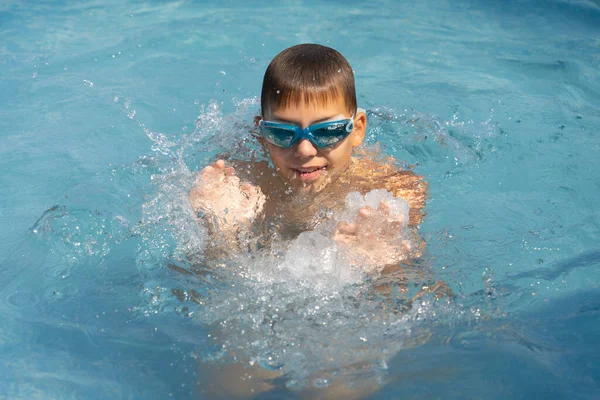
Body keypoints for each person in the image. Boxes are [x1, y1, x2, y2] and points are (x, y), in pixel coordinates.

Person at [188, 43, 428, 269]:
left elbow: (417, 286)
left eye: (326, 131)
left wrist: (377, 267)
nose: (304, 150)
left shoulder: (394, 191)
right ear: (262, 136)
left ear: (357, 130)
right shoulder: (240, 185)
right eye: (282, 133)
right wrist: (220, 238)